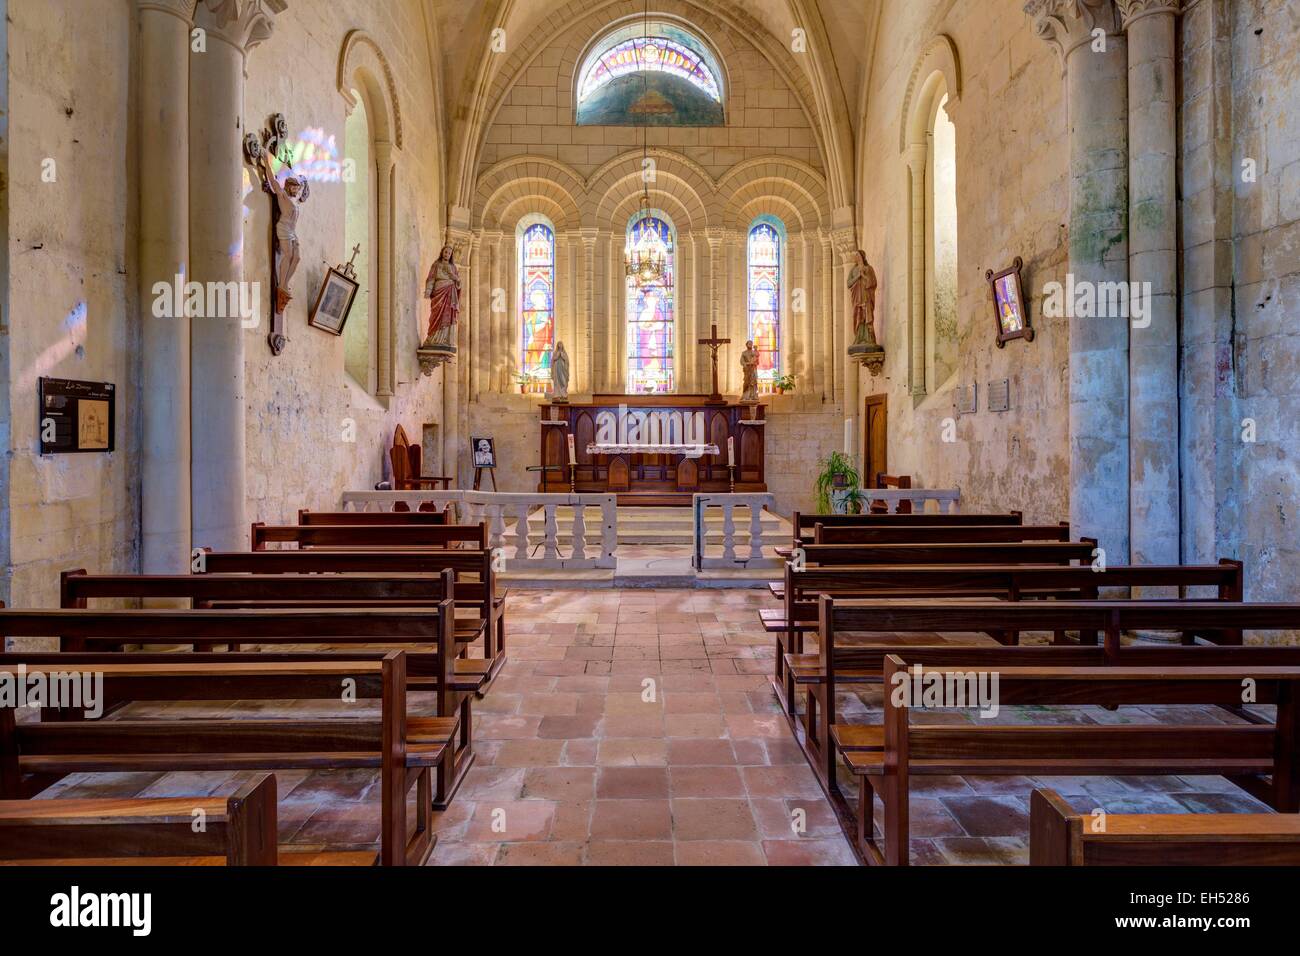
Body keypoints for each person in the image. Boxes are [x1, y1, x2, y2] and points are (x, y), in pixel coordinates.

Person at [424, 245, 461, 347]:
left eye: (449, 253)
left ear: (451, 255)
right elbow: (431, 279)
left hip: (450, 292)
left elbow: (458, 283)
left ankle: (446, 339)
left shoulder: (453, 267)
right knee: (437, 314)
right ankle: (433, 338)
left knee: (448, 313)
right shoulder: (436, 265)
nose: (447, 254)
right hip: (439, 292)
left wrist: (455, 278)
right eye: (445, 252)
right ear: (442, 253)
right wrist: (428, 290)